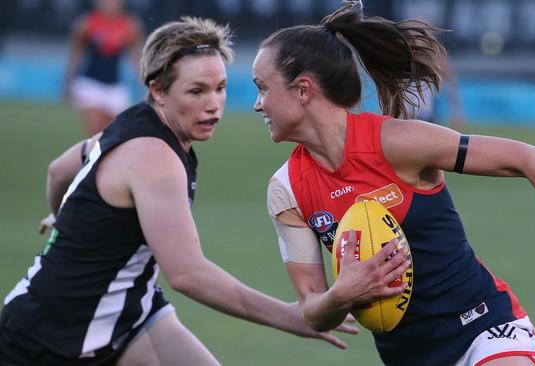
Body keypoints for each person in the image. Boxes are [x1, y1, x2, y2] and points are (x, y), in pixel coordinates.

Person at [252, 1, 535, 365]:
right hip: (409, 356)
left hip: (485, 329)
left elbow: (532, 158)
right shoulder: (286, 189)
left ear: (303, 89)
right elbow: (311, 308)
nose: (257, 104)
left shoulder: (396, 142)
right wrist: (342, 294)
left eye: (262, 88)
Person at [0, 16, 357, 366]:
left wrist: (59, 213)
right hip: (47, 336)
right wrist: (290, 316)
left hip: (131, 315)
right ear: (157, 90)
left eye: (220, 88)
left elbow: (59, 171)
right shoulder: (154, 157)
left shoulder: (132, 126)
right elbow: (188, 275)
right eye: (196, 91)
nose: (213, 104)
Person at [63, 0, 143, 137]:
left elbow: (136, 57)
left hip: (115, 87)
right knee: (95, 133)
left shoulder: (129, 25)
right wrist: (68, 80)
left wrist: (142, 82)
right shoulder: (87, 23)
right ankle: (92, 157)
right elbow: (76, 53)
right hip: (90, 84)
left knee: (116, 133)